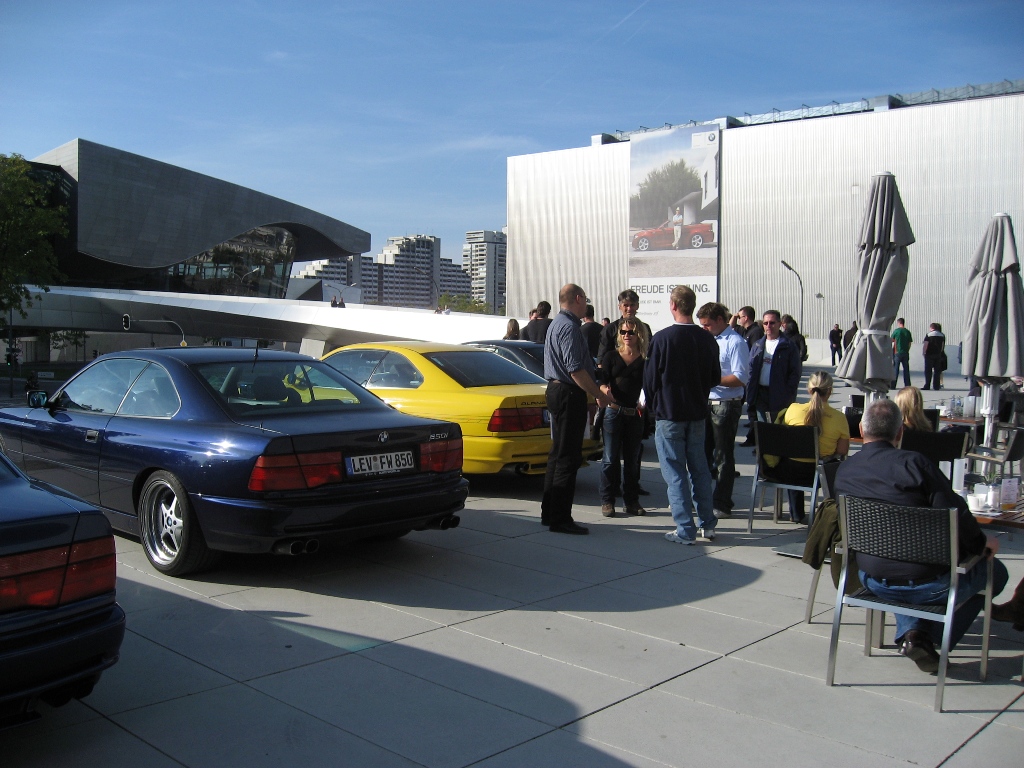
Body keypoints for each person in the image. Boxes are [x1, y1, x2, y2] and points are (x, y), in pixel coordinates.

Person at [833, 399, 1008, 673]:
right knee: (995, 572)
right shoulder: (915, 464)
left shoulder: (845, 470)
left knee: (902, 565)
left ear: (862, 430)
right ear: (900, 432)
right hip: (929, 583)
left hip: (872, 577)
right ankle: (929, 638)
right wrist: (983, 545)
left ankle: (914, 633)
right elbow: (956, 517)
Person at [643, 286, 721, 545]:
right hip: (697, 413)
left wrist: (652, 406)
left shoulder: (662, 339)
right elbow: (715, 377)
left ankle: (685, 529)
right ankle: (707, 523)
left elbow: (650, 380)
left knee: (675, 472)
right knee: (700, 469)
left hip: (669, 413)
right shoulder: (707, 339)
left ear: (673, 305)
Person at [541, 285, 613, 535]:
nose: (587, 305)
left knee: (558, 454)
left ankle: (550, 513)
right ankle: (560, 518)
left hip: (558, 390)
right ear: (578, 299)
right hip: (568, 393)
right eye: (586, 300)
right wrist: (598, 394)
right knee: (568, 457)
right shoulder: (569, 327)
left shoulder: (557, 323)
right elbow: (575, 369)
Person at [697, 302, 750, 520]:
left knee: (723, 456)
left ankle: (722, 502)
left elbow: (740, 377)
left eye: (707, 324)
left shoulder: (735, 342)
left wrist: (710, 379)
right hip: (706, 402)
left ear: (720, 320)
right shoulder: (708, 340)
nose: (704, 328)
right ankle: (702, 498)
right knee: (701, 453)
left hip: (726, 404)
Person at [775, 371, 849, 523]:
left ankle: (796, 513)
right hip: (820, 474)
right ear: (830, 391)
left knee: (795, 458)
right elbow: (842, 451)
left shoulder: (793, 409)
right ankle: (832, 513)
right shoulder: (839, 418)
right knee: (838, 464)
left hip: (789, 471)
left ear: (809, 390)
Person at [597, 318, 646, 517]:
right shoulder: (611, 356)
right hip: (613, 411)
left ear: (638, 335)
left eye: (631, 332)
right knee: (610, 458)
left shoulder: (645, 360)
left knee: (632, 460)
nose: (627, 336)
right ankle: (607, 500)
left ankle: (631, 501)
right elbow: (601, 380)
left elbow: (650, 385)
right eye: (623, 332)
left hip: (635, 414)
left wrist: (646, 400)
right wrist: (603, 390)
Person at [745, 309, 801, 435]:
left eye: (772, 323)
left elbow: (795, 373)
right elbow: (751, 370)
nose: (768, 326)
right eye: (765, 323)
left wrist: (788, 393)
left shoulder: (789, 346)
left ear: (780, 324)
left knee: (778, 430)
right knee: (763, 428)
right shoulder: (757, 345)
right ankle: (764, 447)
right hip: (760, 393)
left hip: (779, 394)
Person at [922, 322, 945, 390]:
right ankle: (936, 386)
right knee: (937, 371)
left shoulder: (928, 335)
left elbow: (926, 344)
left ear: (931, 328)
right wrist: (940, 352)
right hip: (938, 355)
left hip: (929, 354)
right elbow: (942, 345)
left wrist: (924, 353)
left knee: (928, 371)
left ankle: (927, 385)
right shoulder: (942, 335)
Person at [891, 317, 913, 388]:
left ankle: (893, 385)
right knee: (906, 369)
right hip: (905, 352)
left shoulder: (896, 331)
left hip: (897, 352)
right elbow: (910, 343)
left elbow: (892, 340)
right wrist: (907, 350)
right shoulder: (907, 332)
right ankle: (907, 384)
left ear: (899, 323)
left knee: (895, 369)